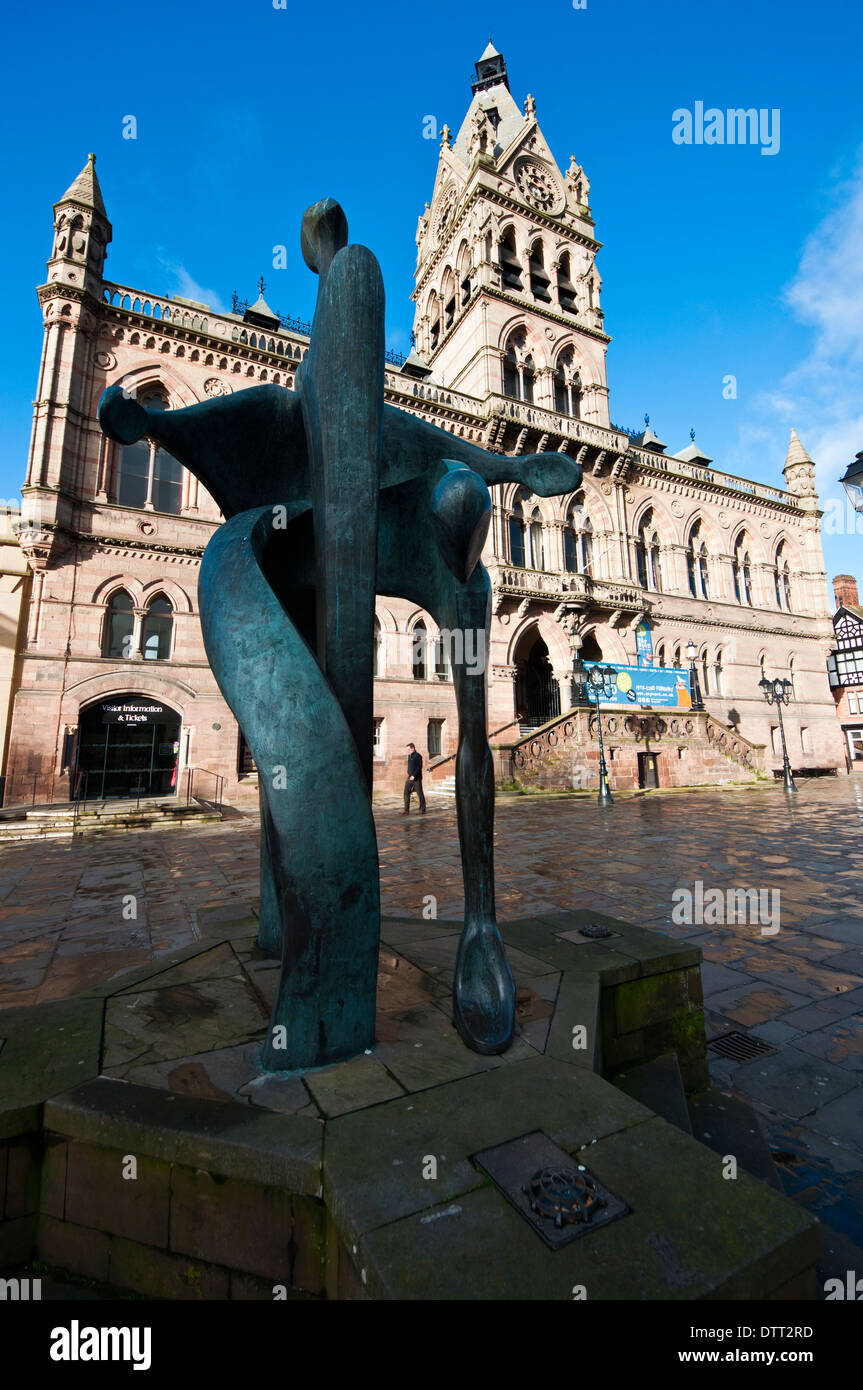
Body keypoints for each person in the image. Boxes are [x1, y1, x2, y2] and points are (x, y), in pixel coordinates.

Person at [401, 742, 426, 815]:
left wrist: (414, 775)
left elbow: (419, 767)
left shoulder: (418, 756)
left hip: (416, 778)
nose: (407, 751)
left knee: (420, 793)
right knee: (406, 793)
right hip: (409, 777)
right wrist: (409, 773)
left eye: (408, 749)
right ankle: (406, 810)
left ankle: (422, 809)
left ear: (413, 748)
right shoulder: (409, 756)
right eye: (407, 750)